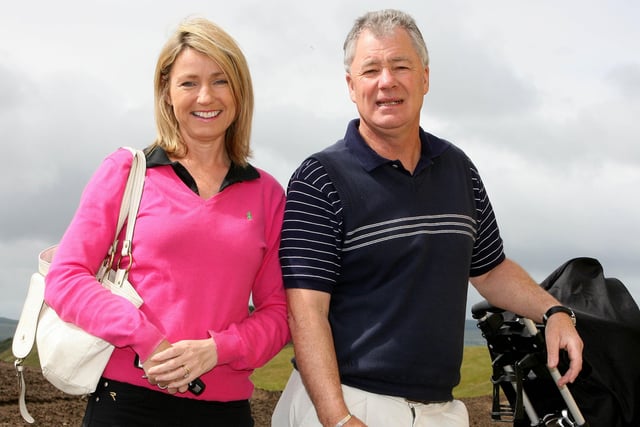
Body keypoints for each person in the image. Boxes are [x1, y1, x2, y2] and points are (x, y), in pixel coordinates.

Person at [272, 9, 583, 427]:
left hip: (440, 410)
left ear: (425, 77)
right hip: (346, 403)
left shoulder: (458, 167)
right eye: (371, 70)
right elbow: (305, 310)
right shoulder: (319, 179)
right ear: (351, 85)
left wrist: (553, 311)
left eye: (401, 66)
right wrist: (337, 418)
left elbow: (490, 270)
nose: (387, 82)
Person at [44, 17, 289, 426]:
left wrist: (218, 350)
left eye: (221, 81)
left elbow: (279, 312)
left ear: (240, 91)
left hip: (224, 411)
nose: (205, 96)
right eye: (189, 82)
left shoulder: (266, 194)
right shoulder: (126, 171)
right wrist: (145, 339)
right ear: (167, 93)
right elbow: (66, 278)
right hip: (126, 404)